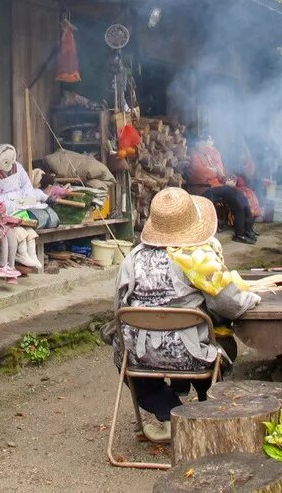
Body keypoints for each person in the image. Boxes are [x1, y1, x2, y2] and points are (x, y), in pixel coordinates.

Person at [114, 187, 261, 443]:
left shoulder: (132, 258)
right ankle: (205, 411)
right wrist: (252, 297)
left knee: (122, 358)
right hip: (191, 356)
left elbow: (119, 307)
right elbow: (230, 304)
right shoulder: (196, 257)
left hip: (138, 357)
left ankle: (169, 414)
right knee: (220, 339)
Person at [187, 134, 258, 244]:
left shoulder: (206, 155)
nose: (204, 145)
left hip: (216, 187)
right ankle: (240, 233)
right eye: (202, 142)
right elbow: (199, 172)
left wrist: (219, 173)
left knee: (240, 197)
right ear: (196, 143)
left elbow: (219, 173)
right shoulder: (193, 155)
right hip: (204, 188)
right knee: (236, 195)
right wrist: (215, 172)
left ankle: (246, 230)